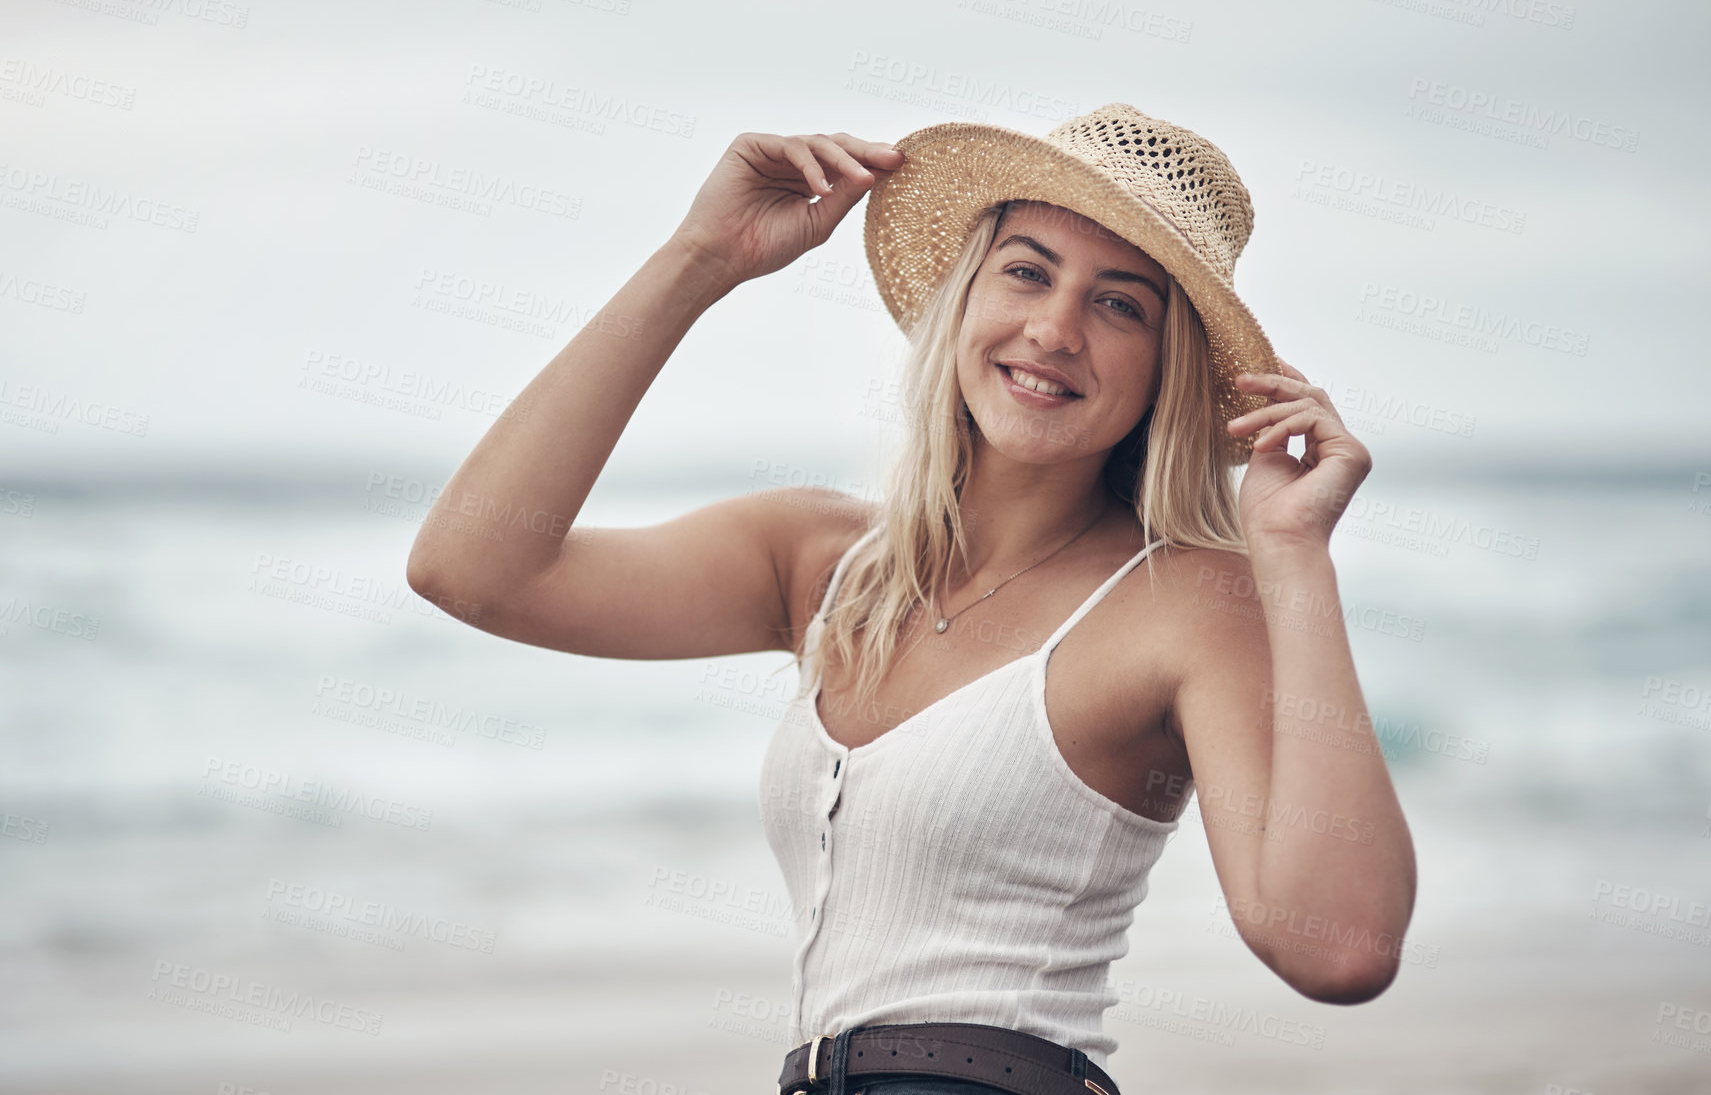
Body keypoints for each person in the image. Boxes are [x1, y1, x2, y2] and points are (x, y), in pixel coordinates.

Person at [405, 103, 1416, 1095]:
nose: (1054, 330)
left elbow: (1338, 949)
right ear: (965, 297)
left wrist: (1292, 559)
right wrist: (697, 262)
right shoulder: (820, 562)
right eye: (1026, 272)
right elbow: (474, 570)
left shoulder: (1187, 602)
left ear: (1166, 367)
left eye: (1119, 305)